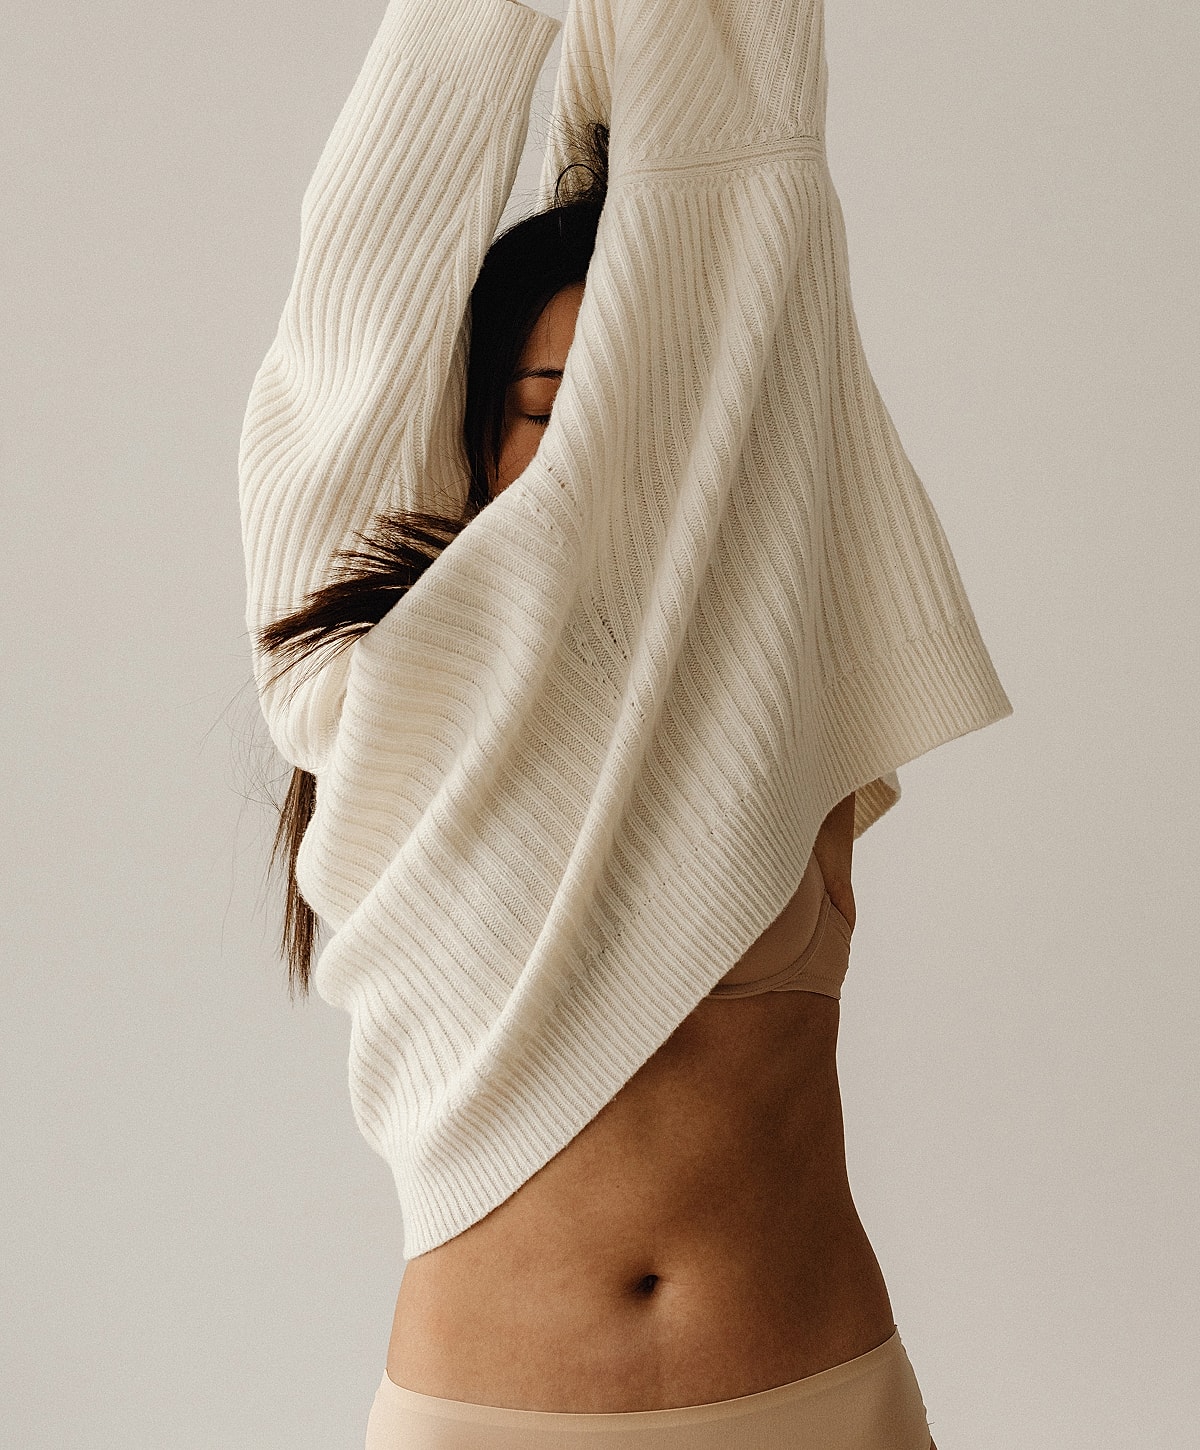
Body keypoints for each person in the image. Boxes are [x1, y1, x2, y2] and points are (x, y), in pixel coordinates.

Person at [239, 0, 1013, 1444]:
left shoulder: (770, 658)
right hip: (489, 1413)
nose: (596, 459)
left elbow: (756, 203)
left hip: (816, 1396)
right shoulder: (381, 688)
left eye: (628, 414)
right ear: (468, 436)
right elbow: (365, 277)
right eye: (547, 410)